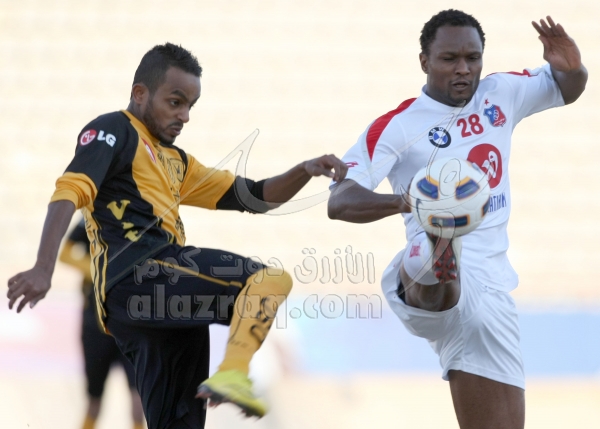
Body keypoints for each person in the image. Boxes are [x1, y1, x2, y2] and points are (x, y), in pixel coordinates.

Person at [7, 43, 347, 429]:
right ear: (140, 94)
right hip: (139, 274)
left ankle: (226, 377)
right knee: (268, 280)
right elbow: (70, 191)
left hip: (159, 308)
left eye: (190, 106)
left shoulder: (177, 161)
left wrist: (304, 170)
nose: (184, 116)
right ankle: (234, 372)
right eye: (175, 102)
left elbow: (254, 196)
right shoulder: (113, 130)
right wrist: (43, 267)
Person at [328, 10, 586, 429]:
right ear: (424, 62)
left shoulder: (501, 93)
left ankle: (440, 249)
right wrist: (408, 202)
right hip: (434, 281)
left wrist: (572, 68)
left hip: (493, 289)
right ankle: (437, 248)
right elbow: (340, 201)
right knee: (436, 264)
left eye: (472, 57)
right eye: (450, 59)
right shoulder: (397, 127)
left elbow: (565, 88)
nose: (463, 68)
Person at [59, 218, 145, 429]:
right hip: (96, 325)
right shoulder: (93, 216)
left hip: (131, 327)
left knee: (139, 400)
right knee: (94, 401)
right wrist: (100, 272)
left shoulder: (144, 215)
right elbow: (65, 254)